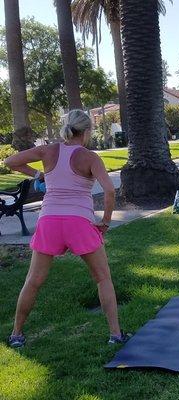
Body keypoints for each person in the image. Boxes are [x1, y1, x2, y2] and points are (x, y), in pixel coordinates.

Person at [4, 109, 130, 348]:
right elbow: (110, 191)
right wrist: (105, 222)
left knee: (33, 280)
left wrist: (38, 173)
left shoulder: (48, 150)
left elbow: (10, 162)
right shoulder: (90, 157)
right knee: (103, 278)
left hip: (49, 220)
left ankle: (16, 335)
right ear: (86, 132)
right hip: (78, 222)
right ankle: (115, 335)